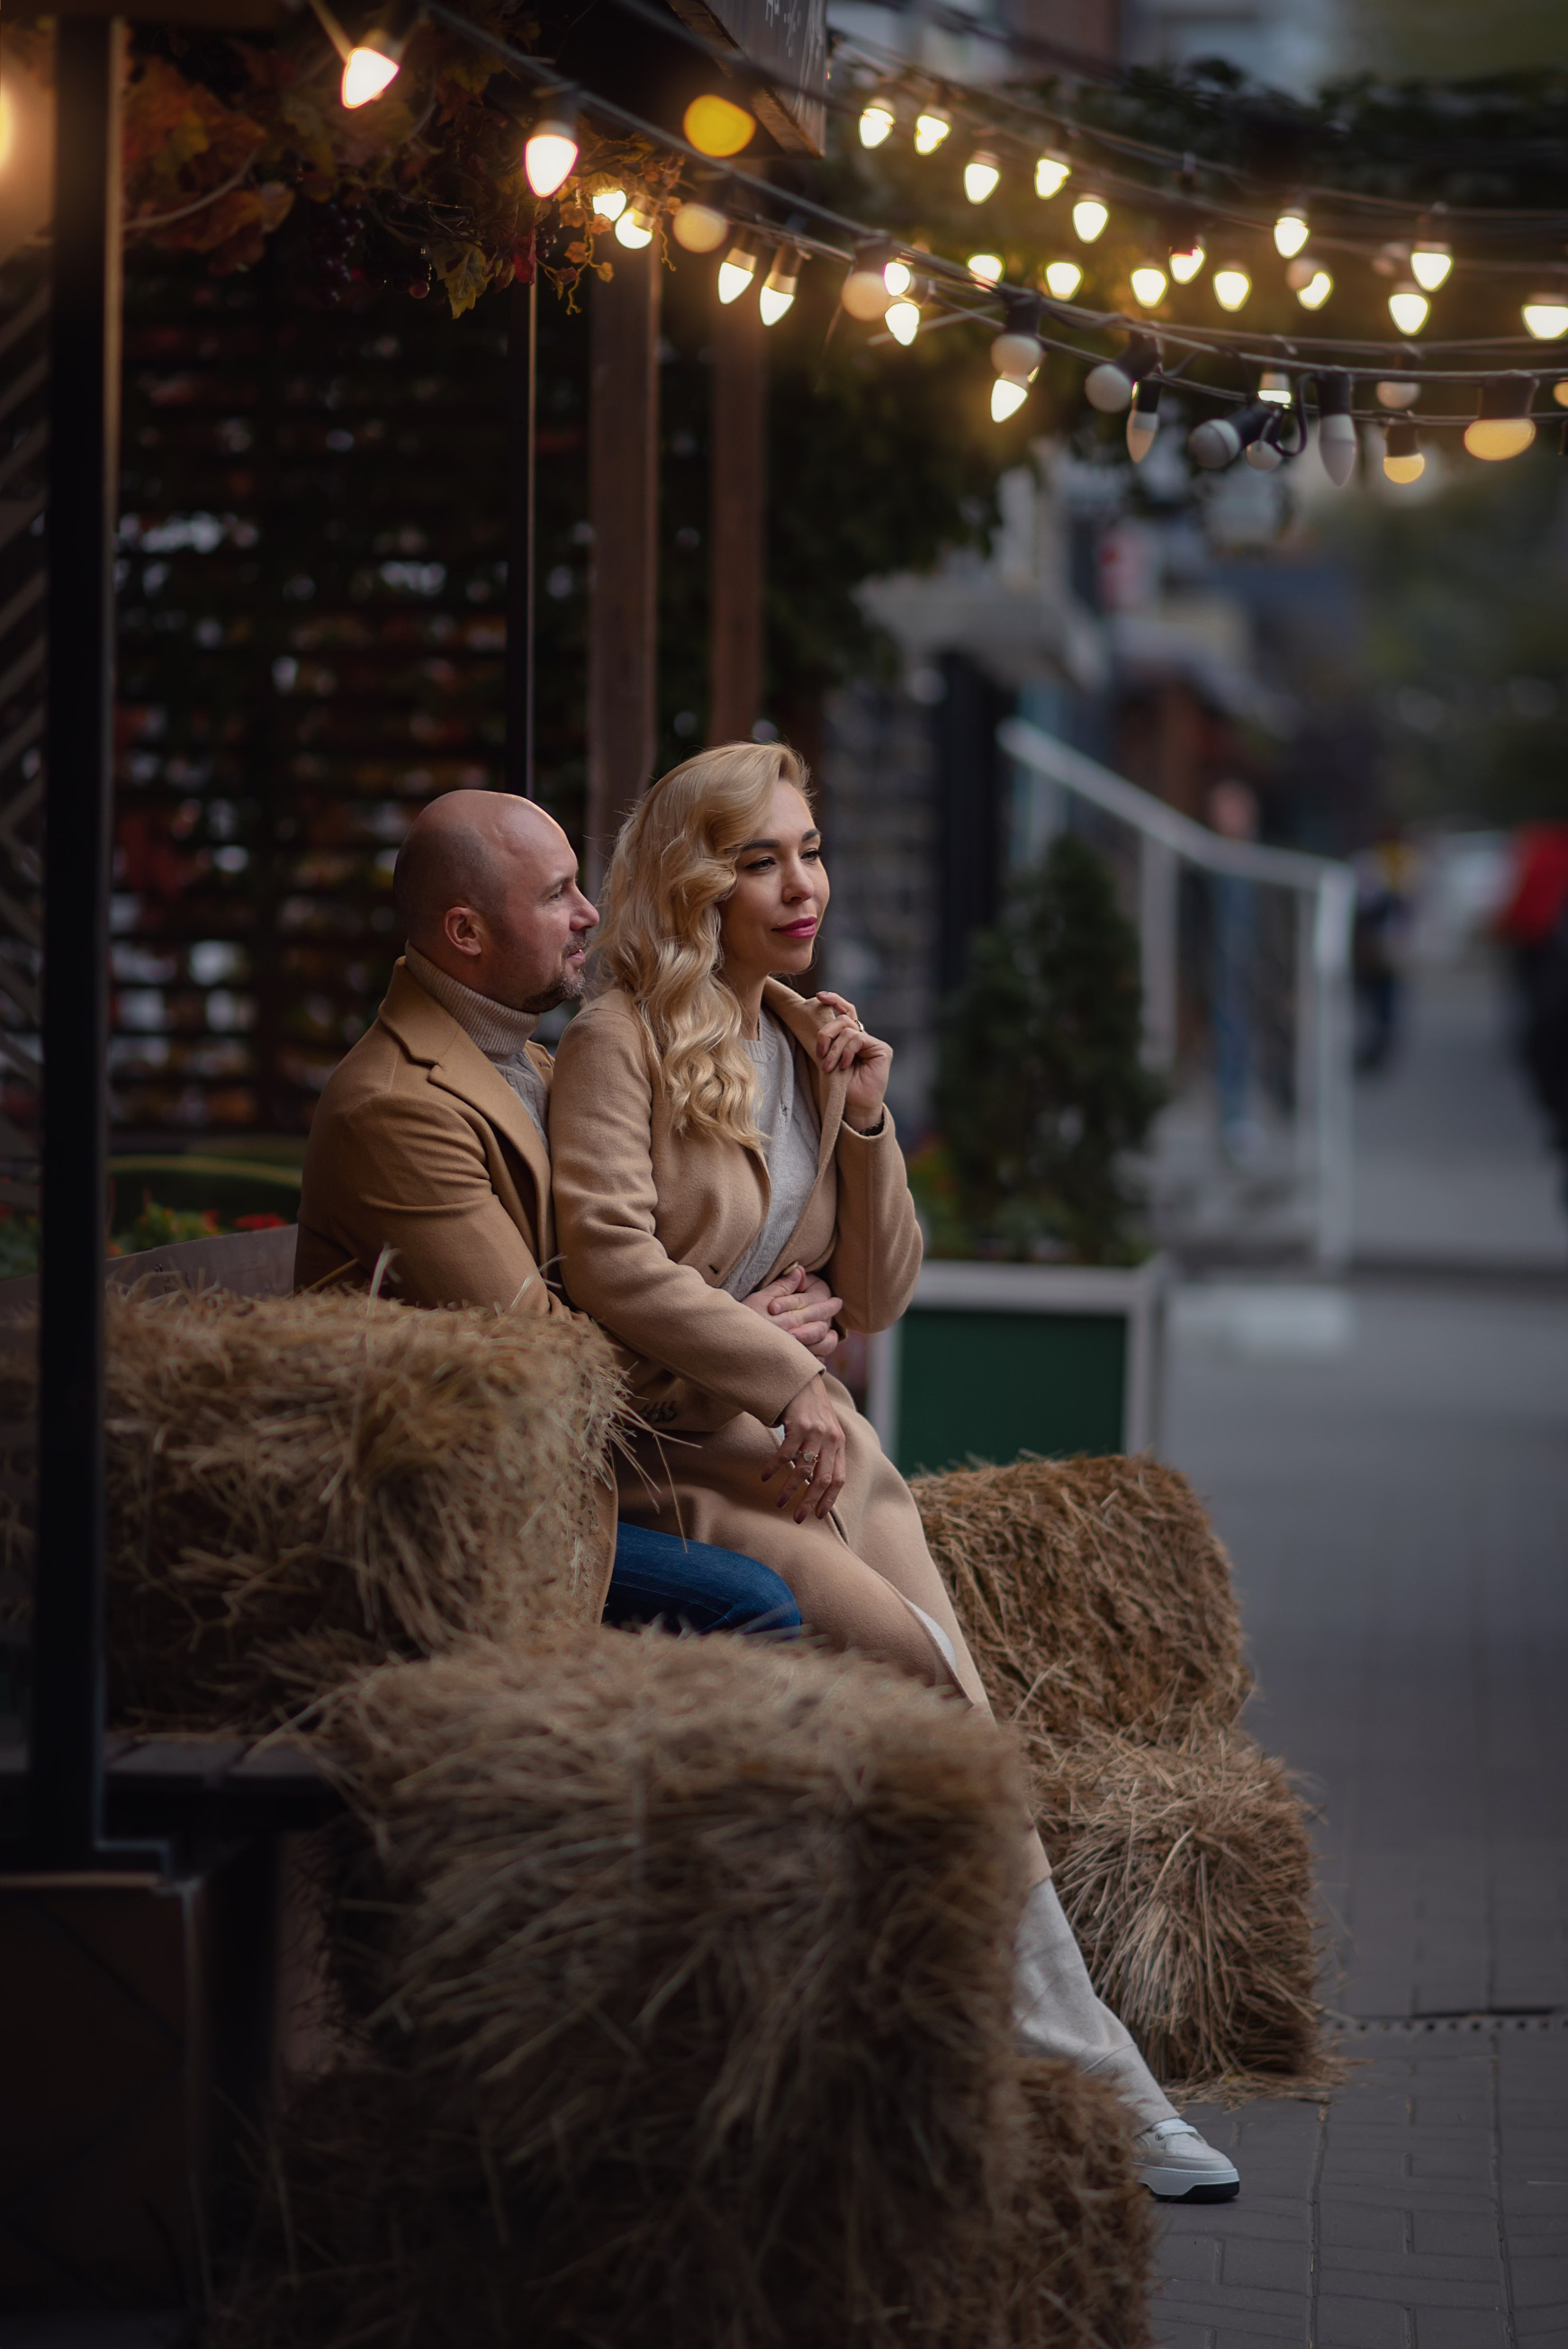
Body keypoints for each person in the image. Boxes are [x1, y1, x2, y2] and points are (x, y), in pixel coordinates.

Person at [549, 741, 1240, 2203]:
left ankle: (1054, 2061)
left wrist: (864, 1119)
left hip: (821, 1458)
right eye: (759, 858)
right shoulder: (619, 1038)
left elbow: (874, 1295)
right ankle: (1088, 2074)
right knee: (913, 1680)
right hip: (679, 1458)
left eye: (808, 850)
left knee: (958, 1710)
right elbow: (604, 1257)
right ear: (692, 879)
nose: (798, 883)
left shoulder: (805, 1035)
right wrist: (773, 1357)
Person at [295, 786, 807, 1640]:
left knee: (819, 1536)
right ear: (466, 933)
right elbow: (540, 1359)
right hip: (455, 1515)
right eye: (555, 894)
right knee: (755, 1610)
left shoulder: (525, 1063)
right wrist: (740, 1345)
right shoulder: (393, 1108)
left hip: (571, 1474)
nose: (589, 913)